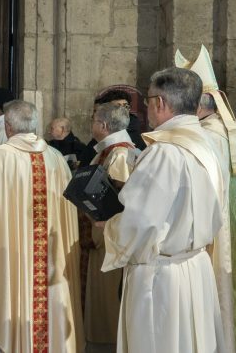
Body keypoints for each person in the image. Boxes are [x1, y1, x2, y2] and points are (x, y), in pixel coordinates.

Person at [101, 67, 226, 353]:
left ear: (160, 103)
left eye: (147, 100)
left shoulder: (164, 151)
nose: (146, 107)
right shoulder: (208, 143)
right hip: (196, 268)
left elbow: (141, 222)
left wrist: (109, 224)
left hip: (162, 278)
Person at [0, 100, 83, 352]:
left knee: (6, 295)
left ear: (8, 126)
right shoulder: (56, 159)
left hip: (10, 257)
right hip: (51, 258)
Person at [177, 45, 236, 352]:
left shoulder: (206, 138)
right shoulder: (226, 133)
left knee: (217, 301)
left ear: (198, 106)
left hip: (214, 236)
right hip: (230, 232)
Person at [84, 103, 139, 345]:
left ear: (104, 126)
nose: (92, 124)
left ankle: (108, 344)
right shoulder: (110, 151)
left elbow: (121, 201)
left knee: (108, 300)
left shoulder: (119, 154)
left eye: (94, 120)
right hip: (101, 235)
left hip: (109, 239)